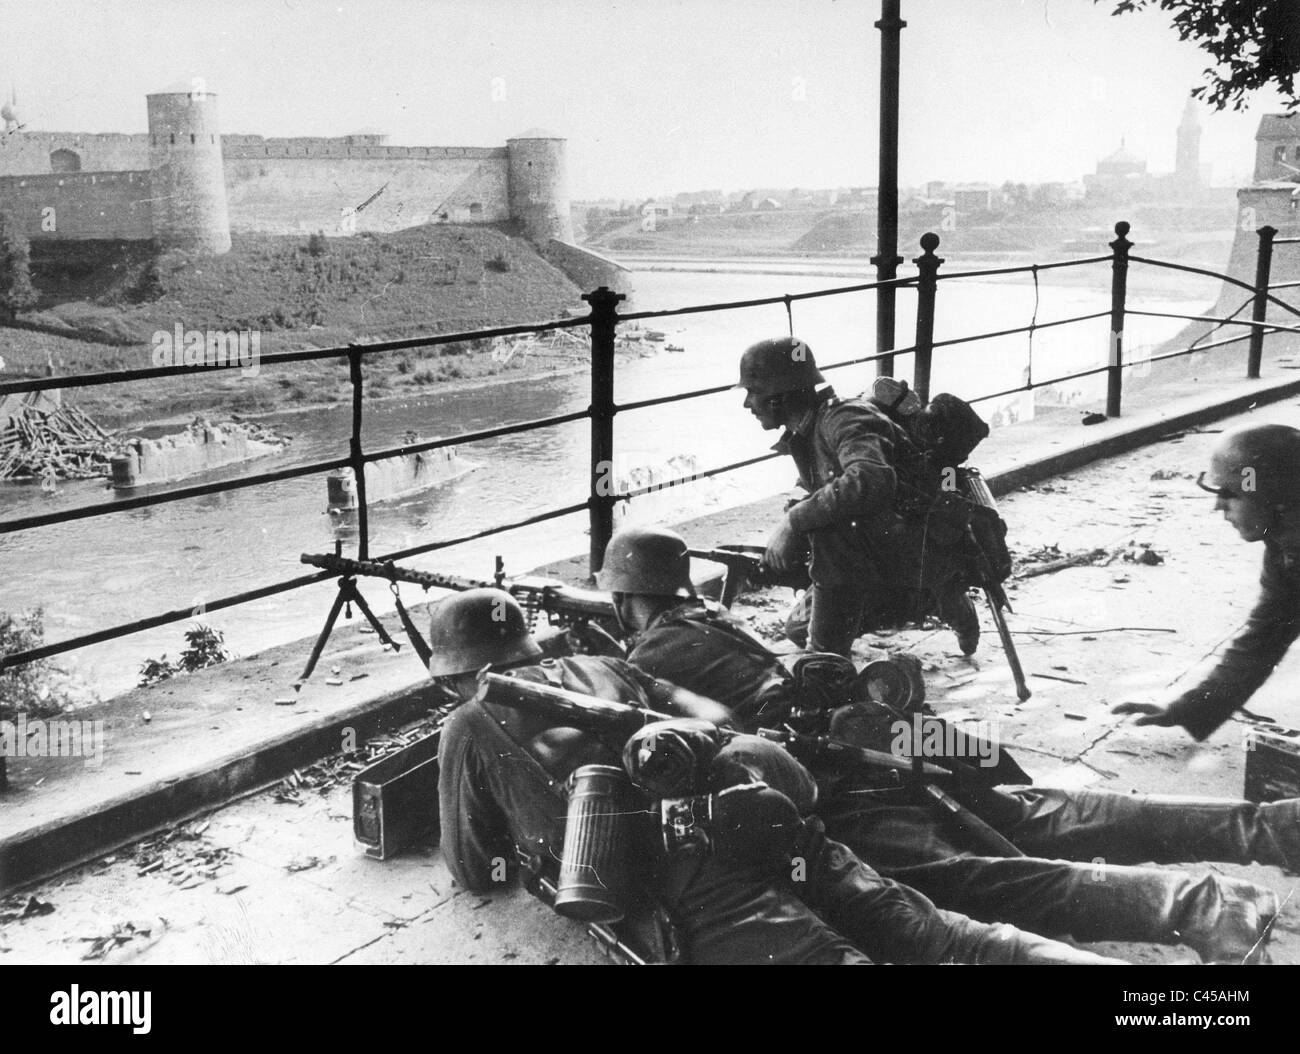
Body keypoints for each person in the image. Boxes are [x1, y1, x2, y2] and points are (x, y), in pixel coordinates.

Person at [602, 523, 1289, 962]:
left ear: (623, 600)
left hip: (843, 774)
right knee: (1040, 810)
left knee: (985, 880)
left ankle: (1202, 908)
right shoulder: (716, 617)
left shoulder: (649, 656)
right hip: (890, 732)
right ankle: (1266, 832)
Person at [432, 587, 1117, 964]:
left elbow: (472, 866)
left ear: (456, 671)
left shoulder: (467, 724)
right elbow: (714, 716)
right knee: (942, 936)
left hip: (693, 887)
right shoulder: (599, 663)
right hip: (762, 809)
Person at [736, 336, 979, 657]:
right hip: (880, 545)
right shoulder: (811, 429)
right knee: (798, 629)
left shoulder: (845, 419)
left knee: (830, 536)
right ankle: (916, 599)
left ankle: (936, 598)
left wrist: (795, 523)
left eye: (753, 392)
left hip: (921, 548)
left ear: (780, 395)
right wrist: (791, 525)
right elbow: (817, 489)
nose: (747, 404)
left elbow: (872, 478)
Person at [1114, 423, 1300, 740]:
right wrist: (1190, 708)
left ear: (1277, 498)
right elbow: (1262, 640)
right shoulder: (1284, 545)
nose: (1218, 506)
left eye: (1231, 494)